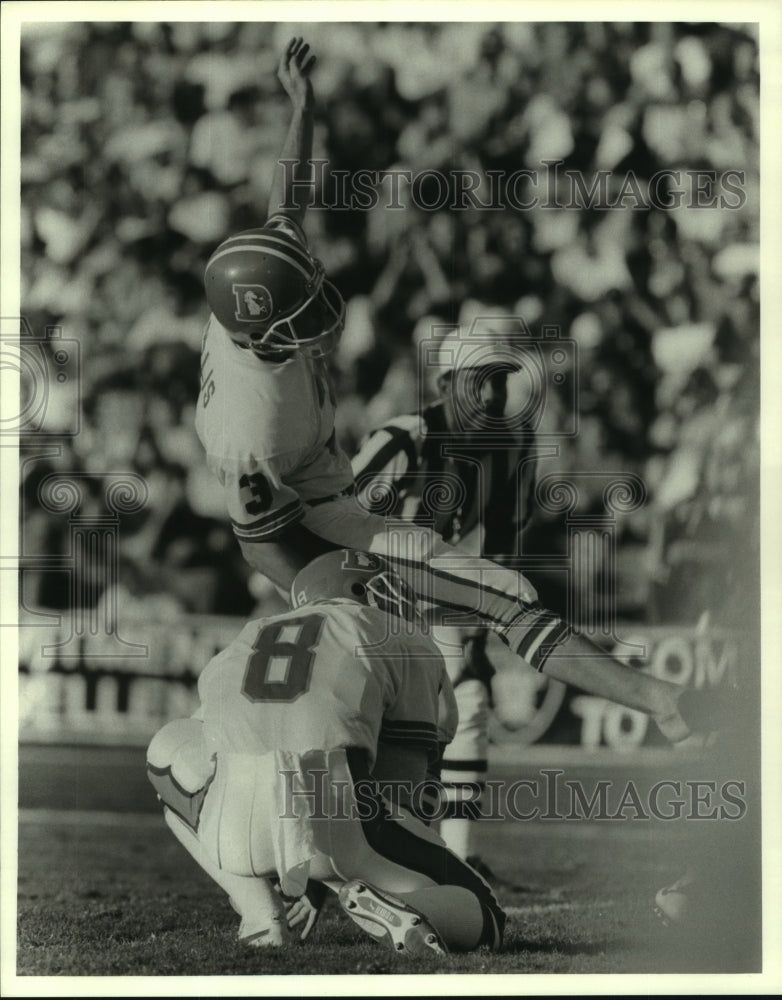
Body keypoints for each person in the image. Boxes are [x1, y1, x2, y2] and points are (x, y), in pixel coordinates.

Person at [194, 36, 728, 758]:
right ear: (261, 330)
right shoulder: (246, 428)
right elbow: (260, 543)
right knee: (414, 662)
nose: (319, 312)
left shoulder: (261, 291)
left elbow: (287, 191)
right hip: (308, 526)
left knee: (497, 591)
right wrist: (328, 589)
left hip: (336, 498)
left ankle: (658, 699)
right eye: (300, 313)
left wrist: (304, 106)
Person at [146, 549, 506, 956]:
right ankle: (405, 909)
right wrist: (339, 869)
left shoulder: (248, 636)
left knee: (169, 747)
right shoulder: (397, 633)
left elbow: (189, 745)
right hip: (337, 814)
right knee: (487, 911)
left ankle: (259, 913)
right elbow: (401, 792)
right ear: (356, 590)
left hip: (231, 829)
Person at [352, 324, 537, 873]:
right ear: (446, 382)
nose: (491, 396)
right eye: (479, 382)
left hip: (437, 591)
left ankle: (460, 854)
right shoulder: (404, 438)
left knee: (470, 700)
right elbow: (338, 521)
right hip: (373, 592)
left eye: (499, 383)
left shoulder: (512, 445)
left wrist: (483, 627)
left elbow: (501, 543)